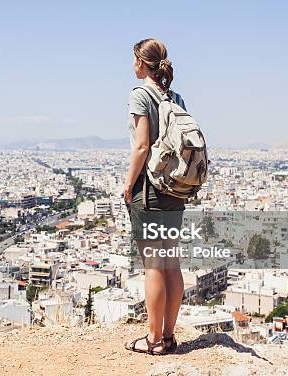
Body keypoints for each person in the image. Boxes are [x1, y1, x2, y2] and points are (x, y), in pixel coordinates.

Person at [123, 38, 186, 355]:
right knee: (171, 262)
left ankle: (153, 340)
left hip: (149, 192)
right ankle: (170, 336)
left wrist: (127, 184)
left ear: (140, 62)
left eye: (133, 59)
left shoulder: (140, 94)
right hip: (176, 191)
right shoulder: (175, 97)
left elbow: (142, 146)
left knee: (153, 265)